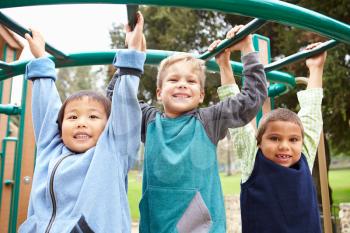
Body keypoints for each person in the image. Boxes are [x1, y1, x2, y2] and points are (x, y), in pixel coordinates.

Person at [107, 25, 268, 232]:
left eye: (191, 81)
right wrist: (133, 55)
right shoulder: (149, 122)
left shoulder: (210, 121)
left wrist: (247, 48)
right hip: (157, 226)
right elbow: (115, 101)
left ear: (201, 95)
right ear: (159, 92)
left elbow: (252, 99)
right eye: (173, 80)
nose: (182, 84)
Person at [19, 12, 146, 233]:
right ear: (60, 127)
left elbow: (125, 109)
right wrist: (41, 60)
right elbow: (47, 107)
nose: (81, 123)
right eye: (73, 117)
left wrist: (131, 57)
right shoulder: (51, 148)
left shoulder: (113, 152)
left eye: (93, 116)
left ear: (109, 126)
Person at [217, 42, 326, 233]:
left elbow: (311, 114)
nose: (285, 146)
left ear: (301, 141)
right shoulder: (253, 160)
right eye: (274, 139)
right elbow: (237, 114)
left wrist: (316, 68)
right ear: (259, 142)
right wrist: (225, 64)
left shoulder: (304, 157)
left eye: (293, 140)